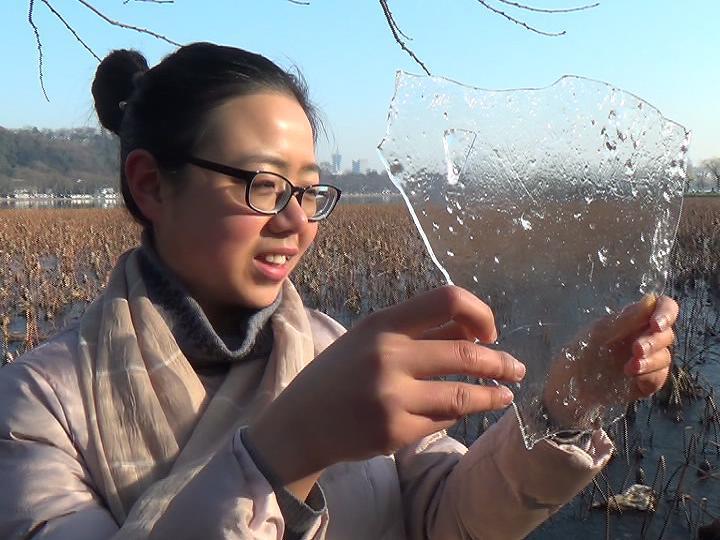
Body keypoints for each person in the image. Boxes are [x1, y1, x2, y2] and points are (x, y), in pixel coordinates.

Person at [0, 43, 678, 540]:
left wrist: (565, 404)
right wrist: (284, 452)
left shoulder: (333, 346)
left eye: (308, 191)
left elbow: (444, 519)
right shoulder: (38, 406)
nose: (296, 222)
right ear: (150, 185)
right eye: (263, 185)